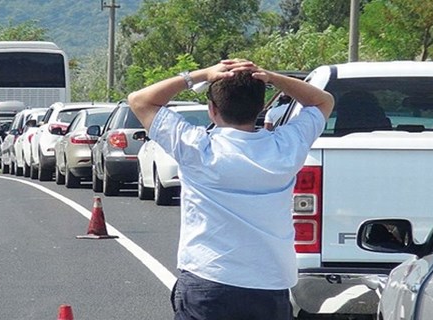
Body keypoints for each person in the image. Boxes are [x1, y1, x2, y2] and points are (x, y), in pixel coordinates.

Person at [127, 59, 334, 320]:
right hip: (270, 283)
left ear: (212, 109)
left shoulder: (197, 148)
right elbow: (323, 101)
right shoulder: (285, 148)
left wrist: (200, 75)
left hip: (209, 279)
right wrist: (272, 77)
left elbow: (139, 100)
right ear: (260, 108)